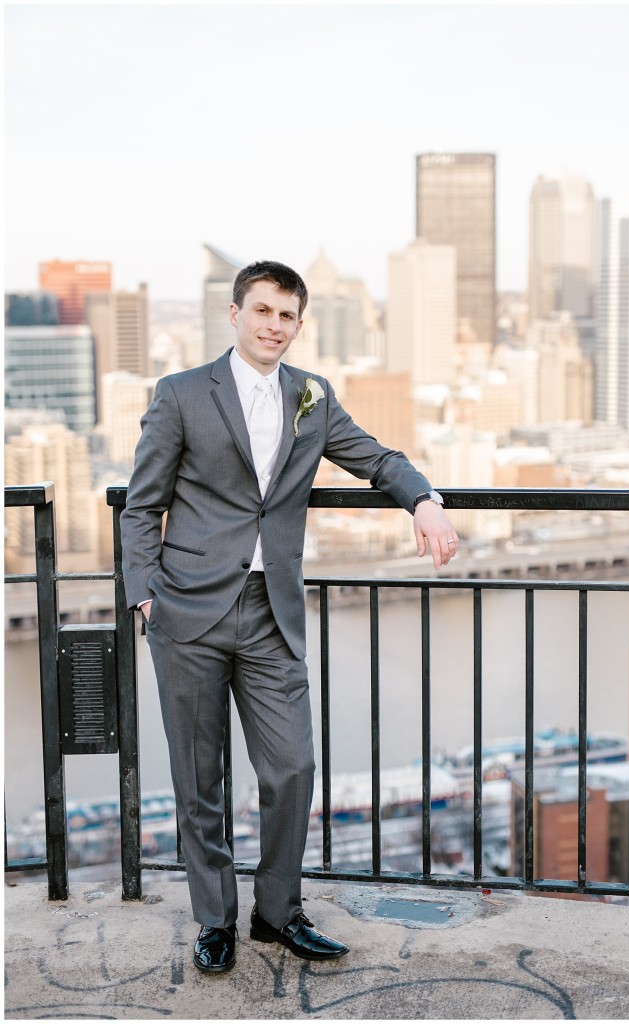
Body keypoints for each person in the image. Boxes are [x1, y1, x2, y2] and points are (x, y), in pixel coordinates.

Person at [120, 260, 459, 974]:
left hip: (270, 612)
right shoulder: (182, 394)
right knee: (198, 780)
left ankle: (278, 913)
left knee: (293, 768)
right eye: (263, 310)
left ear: (299, 325)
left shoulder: (313, 395)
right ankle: (215, 919)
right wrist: (147, 596)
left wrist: (422, 498)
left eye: (287, 316)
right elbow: (142, 504)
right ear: (236, 314)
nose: (274, 325)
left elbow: (377, 458)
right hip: (188, 612)